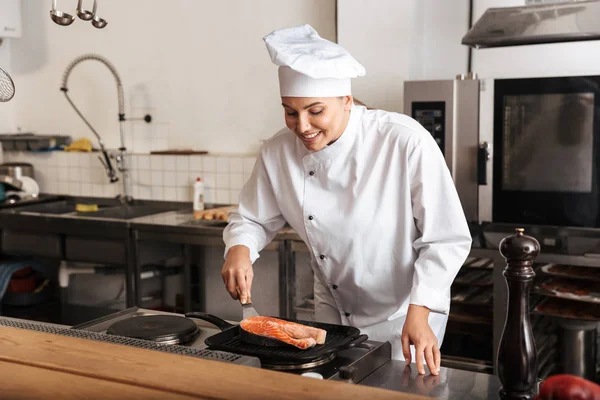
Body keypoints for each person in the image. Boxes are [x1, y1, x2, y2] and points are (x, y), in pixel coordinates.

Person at [222, 24, 471, 376]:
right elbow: (252, 219)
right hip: (333, 313)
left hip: (405, 312)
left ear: (347, 101)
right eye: (291, 112)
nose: (302, 126)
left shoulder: (403, 141)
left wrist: (421, 308)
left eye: (315, 111)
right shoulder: (277, 152)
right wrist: (240, 248)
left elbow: (445, 239)